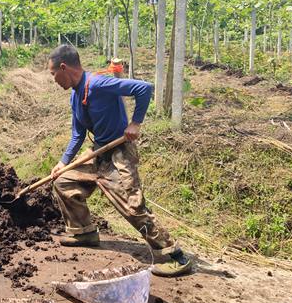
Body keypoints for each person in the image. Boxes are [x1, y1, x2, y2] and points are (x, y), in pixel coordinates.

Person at [47, 44, 191, 277]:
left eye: (53, 74)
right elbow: (77, 133)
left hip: (118, 153)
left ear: (64, 67)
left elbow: (144, 88)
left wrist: (135, 123)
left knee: (132, 207)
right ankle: (83, 231)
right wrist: (64, 162)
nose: (54, 80)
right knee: (64, 182)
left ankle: (174, 255)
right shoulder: (76, 95)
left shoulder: (98, 84)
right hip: (97, 154)